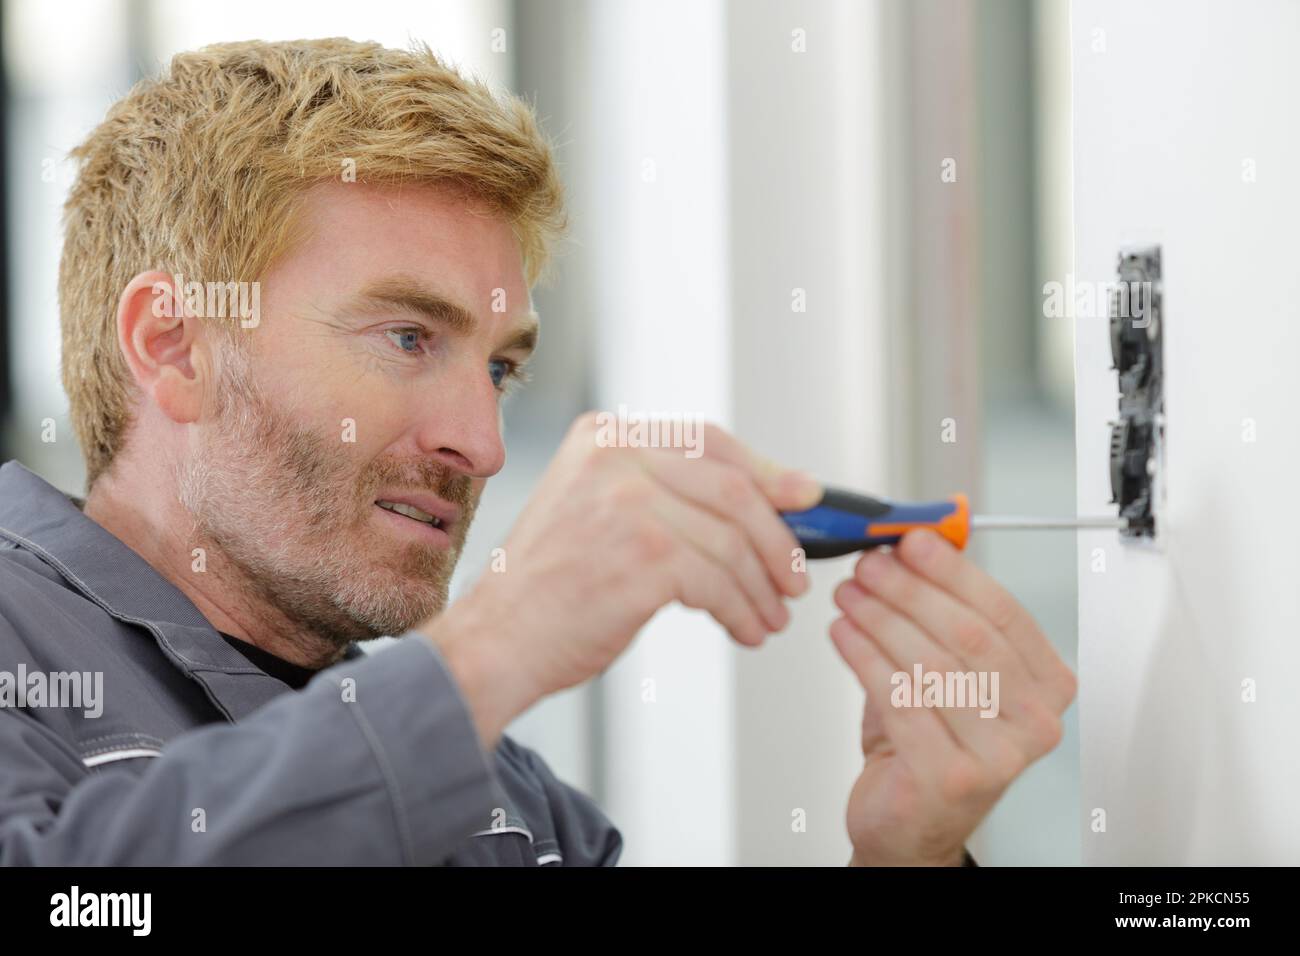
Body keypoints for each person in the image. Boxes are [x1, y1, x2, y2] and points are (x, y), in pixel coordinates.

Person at [0, 38, 1075, 866]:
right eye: (408, 337)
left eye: (499, 369)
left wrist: (905, 855)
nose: (482, 442)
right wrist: (491, 652)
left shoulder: (512, 805)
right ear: (174, 344)